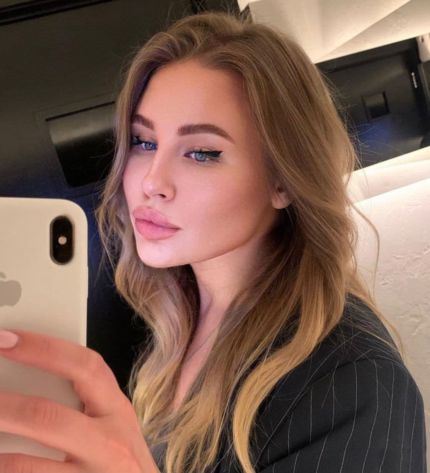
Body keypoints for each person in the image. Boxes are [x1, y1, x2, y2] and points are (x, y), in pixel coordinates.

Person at [94, 8, 427, 473]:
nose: (152, 182)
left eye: (202, 153)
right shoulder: (180, 313)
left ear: (283, 182)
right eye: (143, 141)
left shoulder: (353, 384)